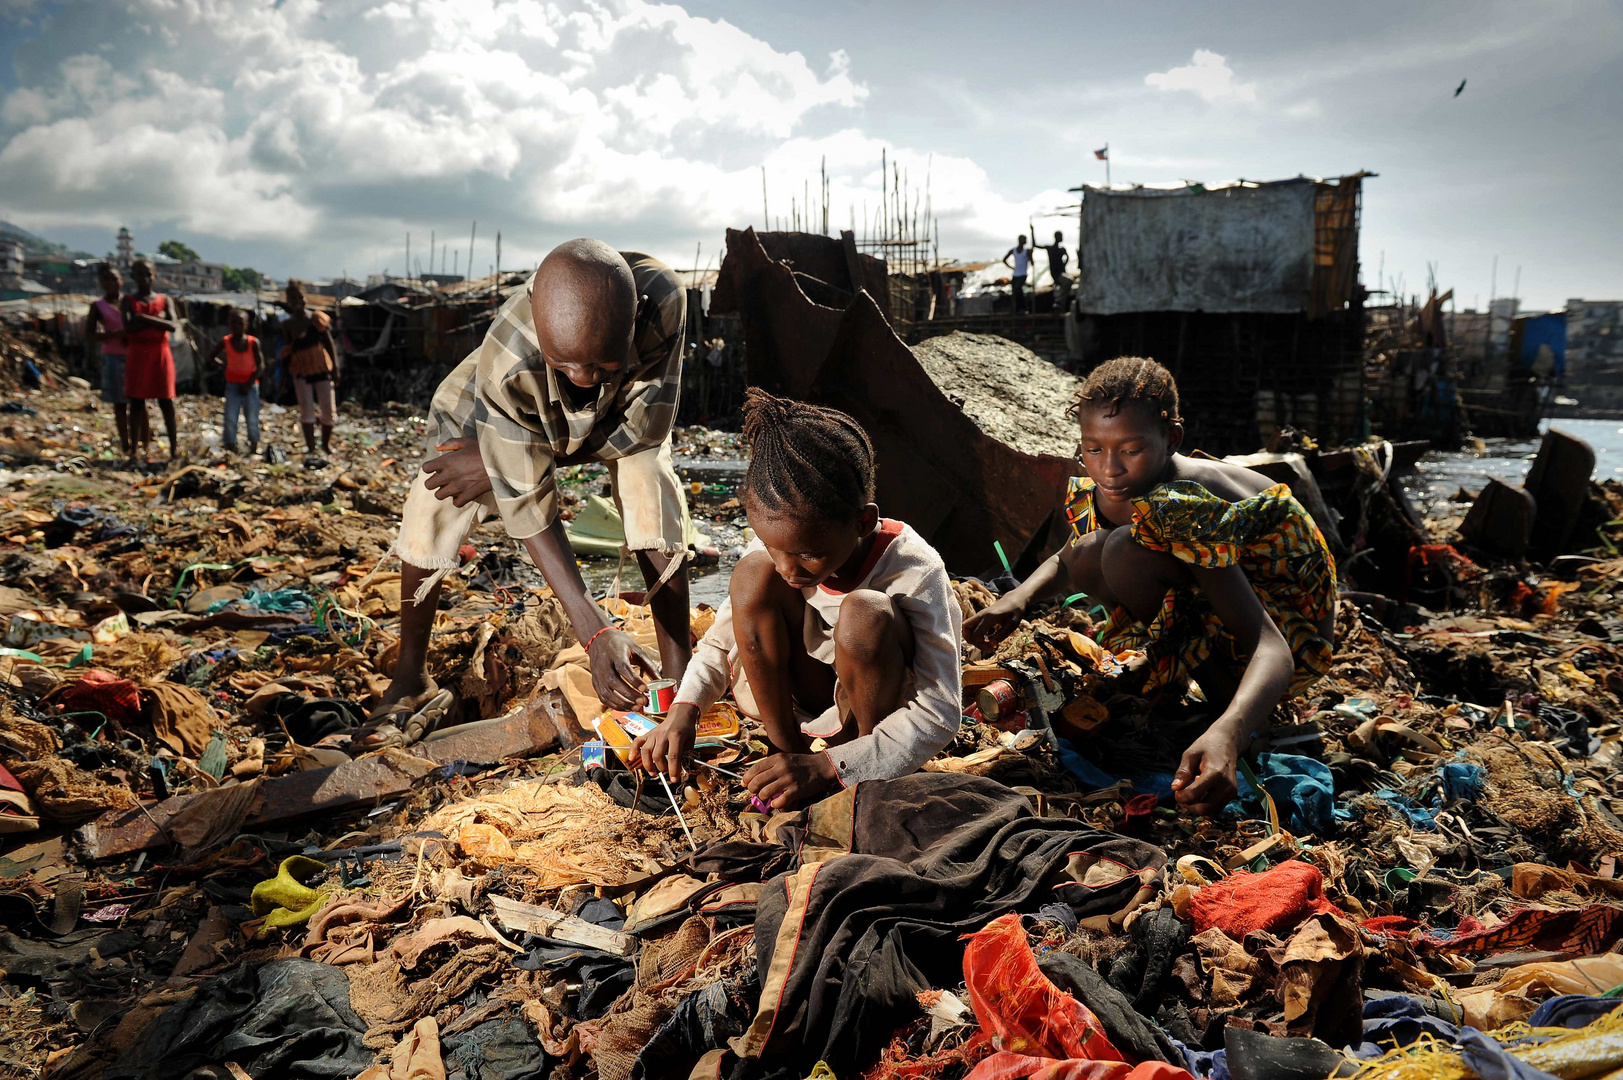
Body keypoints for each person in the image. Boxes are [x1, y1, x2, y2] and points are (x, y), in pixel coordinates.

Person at [964, 357, 1336, 817]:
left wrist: (1231, 732)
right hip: (1234, 597)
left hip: (1291, 625)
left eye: (1130, 449)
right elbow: (1069, 555)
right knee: (1091, 553)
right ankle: (1204, 682)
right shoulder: (1117, 483)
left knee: (1122, 553)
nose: (1109, 468)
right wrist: (1017, 597)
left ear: (1172, 439)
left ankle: (1232, 711)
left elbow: (1270, 644)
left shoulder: (1183, 503)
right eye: (1093, 449)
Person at [369, 239, 692, 742]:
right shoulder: (508, 359)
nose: (583, 380)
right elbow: (530, 509)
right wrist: (597, 632)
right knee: (436, 492)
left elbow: (642, 434)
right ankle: (411, 676)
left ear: (629, 329)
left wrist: (505, 462)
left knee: (648, 478)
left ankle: (681, 678)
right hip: (503, 401)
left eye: (602, 366)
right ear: (544, 338)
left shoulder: (664, 304)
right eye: (567, 366)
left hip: (612, 422)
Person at [633, 389, 964, 811]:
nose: (789, 569)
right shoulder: (783, 546)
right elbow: (722, 641)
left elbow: (938, 712)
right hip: (802, 706)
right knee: (751, 574)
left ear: (863, 522)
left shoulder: (915, 568)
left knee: (865, 614)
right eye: (775, 548)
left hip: (872, 722)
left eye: (808, 555)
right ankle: (784, 752)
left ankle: (854, 774)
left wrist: (831, 766)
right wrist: (685, 708)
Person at [121, 258, 180, 462]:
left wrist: (143, 319)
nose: (144, 278)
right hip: (138, 354)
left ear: (155, 276)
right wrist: (159, 321)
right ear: (133, 277)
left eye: (148, 274)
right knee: (136, 402)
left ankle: (173, 450)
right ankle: (135, 451)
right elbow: (128, 328)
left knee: (166, 402)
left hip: (160, 354)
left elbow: (172, 325)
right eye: (140, 274)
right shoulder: (128, 301)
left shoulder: (165, 300)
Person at [280, 281, 338, 461]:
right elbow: (287, 352)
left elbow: (329, 344)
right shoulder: (288, 325)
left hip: (321, 368)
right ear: (288, 301)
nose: (297, 301)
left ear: (305, 298)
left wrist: (335, 369)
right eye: (293, 298)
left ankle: (326, 445)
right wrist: (283, 377)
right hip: (301, 371)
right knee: (306, 410)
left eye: (300, 297)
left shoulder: (316, 318)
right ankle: (311, 448)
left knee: (328, 411)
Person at [84, 263, 132, 461]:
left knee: (139, 402)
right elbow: (89, 334)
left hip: (134, 356)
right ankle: (126, 445)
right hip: (112, 356)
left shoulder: (130, 302)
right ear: (101, 283)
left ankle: (144, 443)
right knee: (120, 404)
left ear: (121, 280)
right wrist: (111, 335)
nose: (111, 283)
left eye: (114, 278)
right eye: (107, 279)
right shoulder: (98, 306)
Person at [209, 309, 262, 455]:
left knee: (252, 418)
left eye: (240, 323)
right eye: (234, 322)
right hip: (232, 385)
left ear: (246, 324)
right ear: (229, 324)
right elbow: (211, 357)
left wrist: (248, 384)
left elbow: (260, 366)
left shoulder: (253, 342)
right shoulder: (226, 341)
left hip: (250, 386)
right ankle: (230, 448)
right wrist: (224, 365)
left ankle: (254, 448)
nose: (237, 326)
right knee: (230, 418)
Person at [1003, 234, 1033, 314]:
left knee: (1018, 288)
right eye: (1024, 240)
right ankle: (1015, 309)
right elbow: (1004, 260)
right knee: (1014, 291)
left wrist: (1031, 255)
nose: (1025, 241)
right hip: (1015, 275)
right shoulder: (1013, 250)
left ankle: (1022, 308)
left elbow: (1032, 262)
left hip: (1023, 274)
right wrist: (1012, 267)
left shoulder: (1026, 251)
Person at [1045, 229, 1072, 311]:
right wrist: (1032, 230)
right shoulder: (1050, 248)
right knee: (1069, 281)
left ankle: (1060, 301)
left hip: (1061, 272)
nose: (1062, 238)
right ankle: (1059, 300)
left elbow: (1067, 257)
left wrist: (1064, 265)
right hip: (1056, 274)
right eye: (1060, 236)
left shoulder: (1062, 249)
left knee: (1069, 281)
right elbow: (1035, 245)